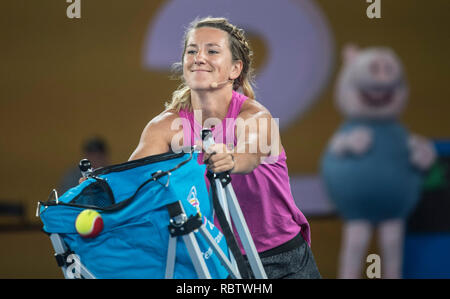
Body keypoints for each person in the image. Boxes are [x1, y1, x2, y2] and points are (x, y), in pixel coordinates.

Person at [129, 17, 321, 279]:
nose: (199, 57)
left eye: (212, 51)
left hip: (282, 260)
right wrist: (97, 192)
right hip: (217, 262)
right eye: (192, 50)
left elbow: (250, 153)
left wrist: (230, 158)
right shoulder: (163, 127)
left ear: (235, 69)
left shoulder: (256, 116)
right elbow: (130, 181)